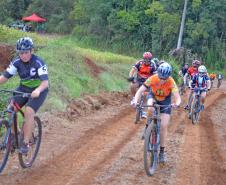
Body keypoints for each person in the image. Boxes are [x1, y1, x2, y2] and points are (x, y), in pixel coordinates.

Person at [0, 37, 49, 154]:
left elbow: (45, 83)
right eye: (21, 53)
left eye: (26, 52)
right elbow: (4, 77)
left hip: (39, 90)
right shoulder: (16, 62)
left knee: (29, 111)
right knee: (10, 110)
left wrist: (38, 90)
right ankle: (16, 134)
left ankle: (25, 143)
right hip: (23, 89)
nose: (24, 55)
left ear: (31, 51)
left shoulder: (38, 62)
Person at [132, 62, 181, 163]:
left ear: (169, 76)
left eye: (165, 78)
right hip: (153, 97)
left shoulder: (171, 81)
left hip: (165, 101)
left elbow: (177, 97)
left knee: (163, 126)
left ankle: (162, 152)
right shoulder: (153, 78)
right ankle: (147, 127)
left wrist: (177, 103)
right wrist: (135, 101)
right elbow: (140, 91)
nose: (162, 80)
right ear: (158, 74)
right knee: (150, 108)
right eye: (161, 77)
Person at [128, 52, 157, 117]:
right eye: (145, 59)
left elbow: (155, 75)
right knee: (132, 85)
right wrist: (131, 77)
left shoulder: (153, 65)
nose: (146, 61)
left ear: (150, 59)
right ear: (143, 59)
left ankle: (143, 111)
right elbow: (132, 70)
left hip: (148, 82)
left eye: (148, 59)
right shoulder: (139, 63)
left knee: (146, 94)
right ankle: (133, 98)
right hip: (139, 80)